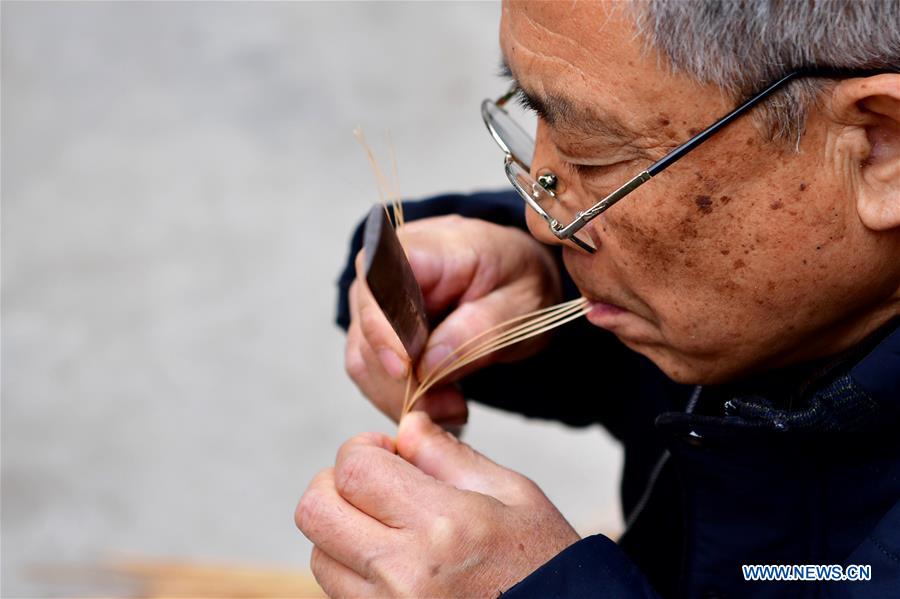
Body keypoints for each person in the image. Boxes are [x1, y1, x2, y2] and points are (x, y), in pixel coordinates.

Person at [296, 1, 900, 596]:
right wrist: (535, 287)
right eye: (534, 113)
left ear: (880, 148)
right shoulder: (781, 316)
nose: (543, 223)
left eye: (595, 154)